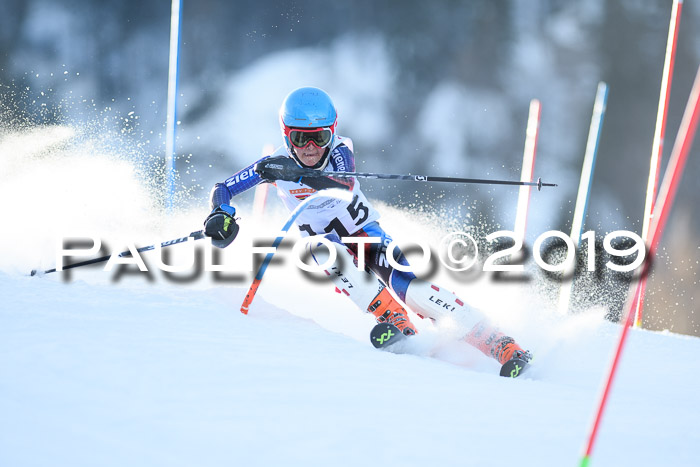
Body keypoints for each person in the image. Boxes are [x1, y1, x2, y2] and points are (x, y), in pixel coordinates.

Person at [203, 86, 531, 374]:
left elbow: (342, 185)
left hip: (365, 234)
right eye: (300, 138)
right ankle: (395, 322)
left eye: (320, 137)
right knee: (323, 251)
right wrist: (221, 214)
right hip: (325, 245)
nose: (311, 148)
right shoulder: (274, 163)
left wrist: (294, 175)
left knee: (412, 290)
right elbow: (224, 188)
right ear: (286, 135)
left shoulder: (341, 149)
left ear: (332, 132)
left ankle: (500, 344)